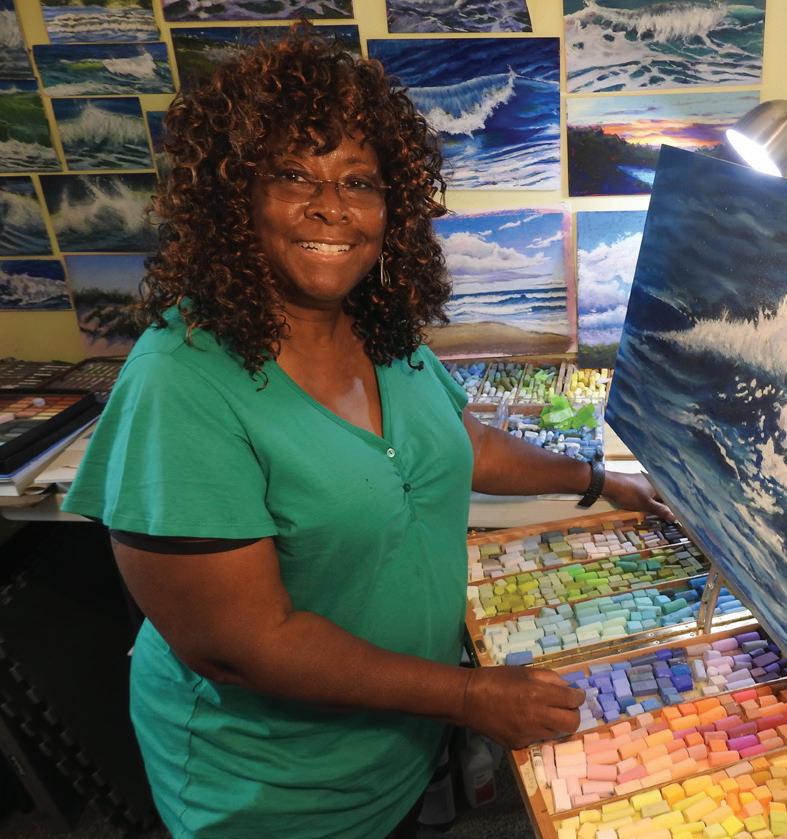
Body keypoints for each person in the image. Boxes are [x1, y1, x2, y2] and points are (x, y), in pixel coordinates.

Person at [61, 28, 671, 839]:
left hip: (396, 746)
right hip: (271, 797)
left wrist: (599, 480)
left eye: (359, 181)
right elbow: (242, 646)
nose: (331, 207)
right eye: (292, 176)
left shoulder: (379, 328)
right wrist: (470, 695)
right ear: (233, 196)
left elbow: (466, 445)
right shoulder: (178, 383)